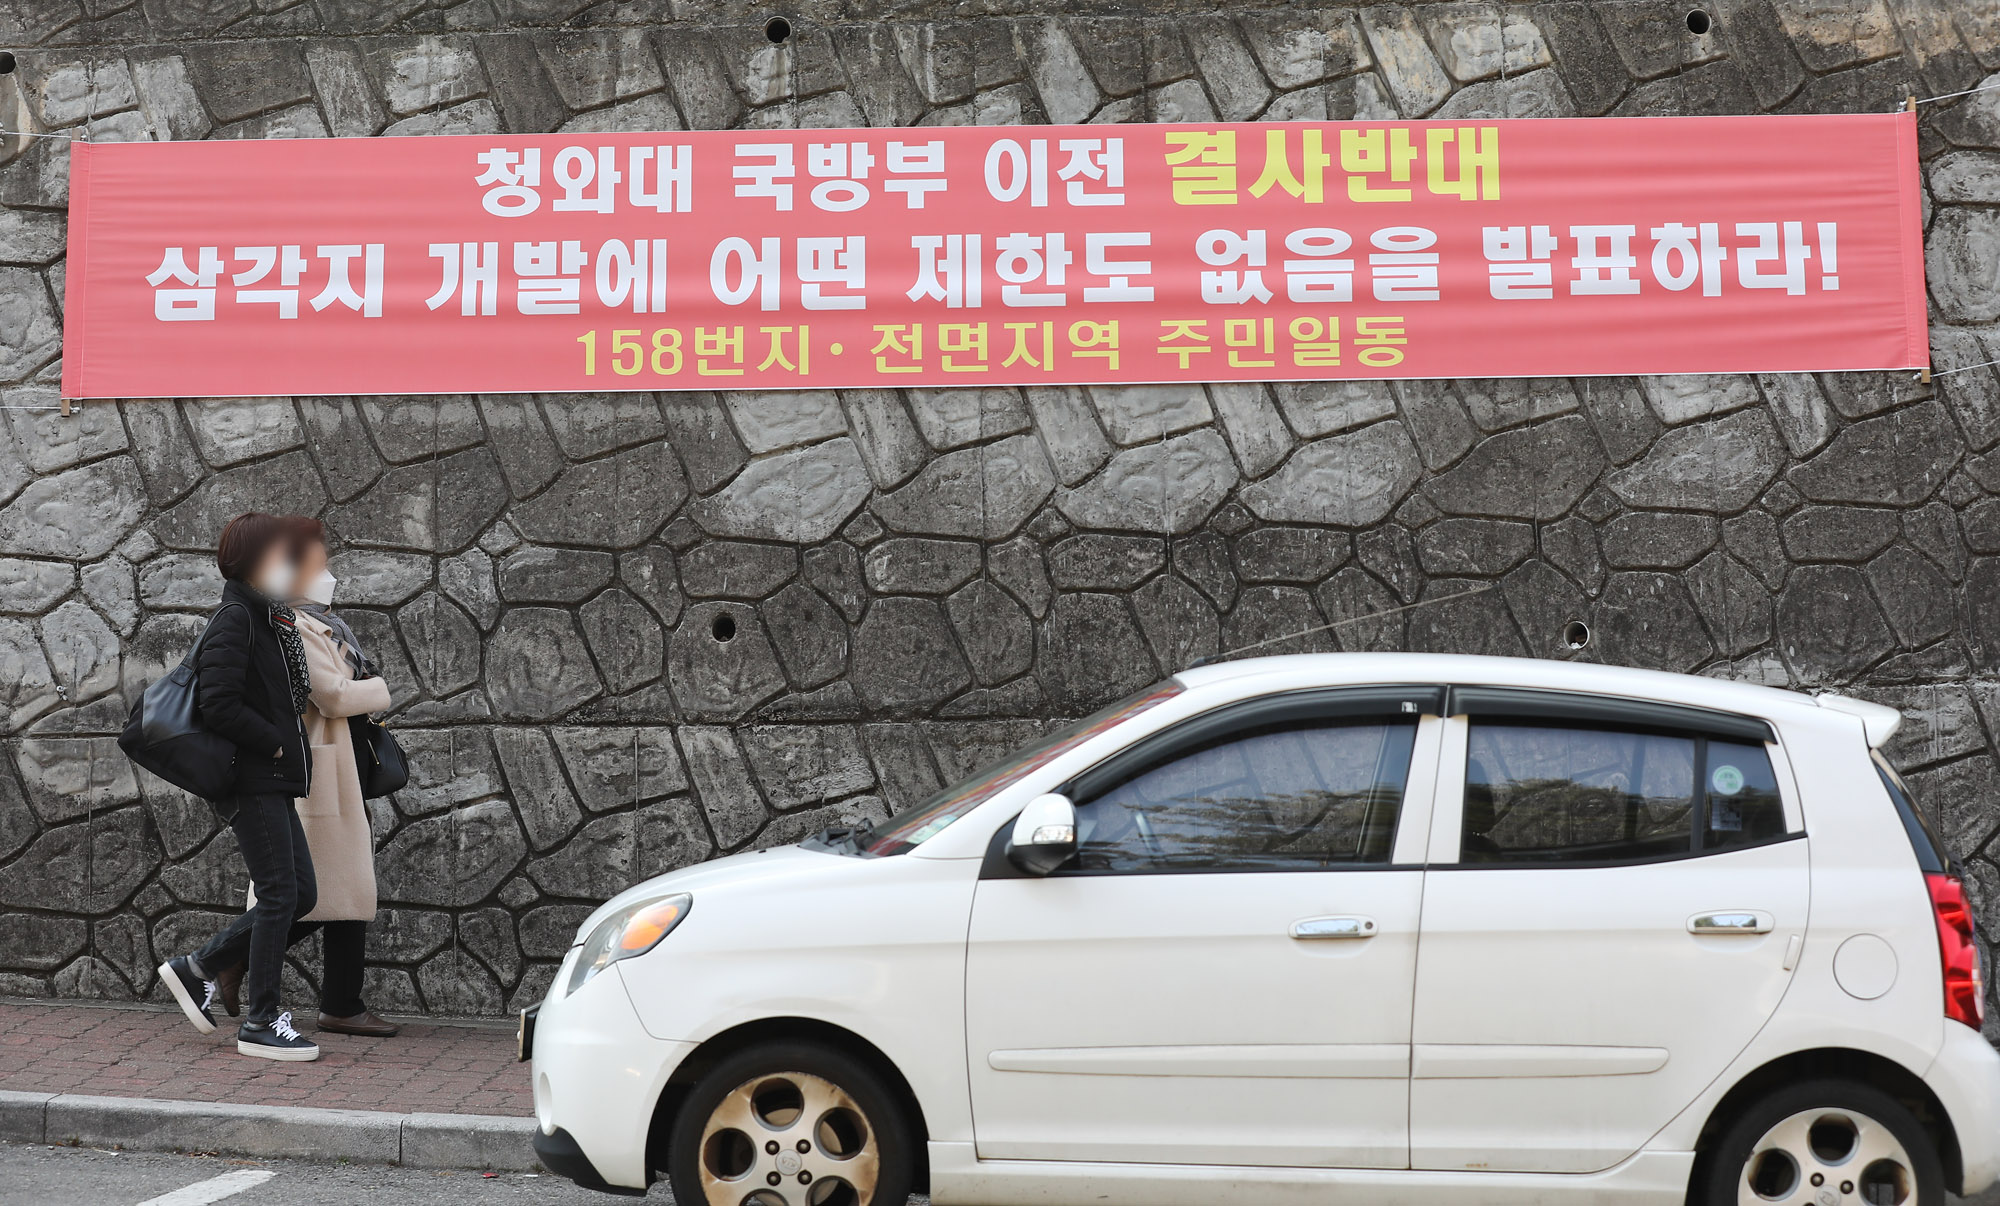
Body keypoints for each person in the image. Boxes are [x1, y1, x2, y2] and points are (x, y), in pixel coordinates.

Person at [206, 518, 400, 1038]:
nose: (323, 567)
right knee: (299, 893)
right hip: (307, 771)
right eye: (315, 557)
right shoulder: (266, 620)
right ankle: (226, 972)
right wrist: (378, 689)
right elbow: (326, 695)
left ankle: (327, 1001)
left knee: (323, 891)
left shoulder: (294, 621)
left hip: (324, 766)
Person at [155, 512, 322, 1062]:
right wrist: (273, 743)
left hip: (269, 778)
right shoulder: (237, 619)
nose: (291, 566)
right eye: (281, 556)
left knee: (302, 893)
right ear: (255, 562)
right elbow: (218, 704)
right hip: (251, 777)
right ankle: (262, 1018)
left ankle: (202, 965)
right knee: (280, 894)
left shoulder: (269, 618)